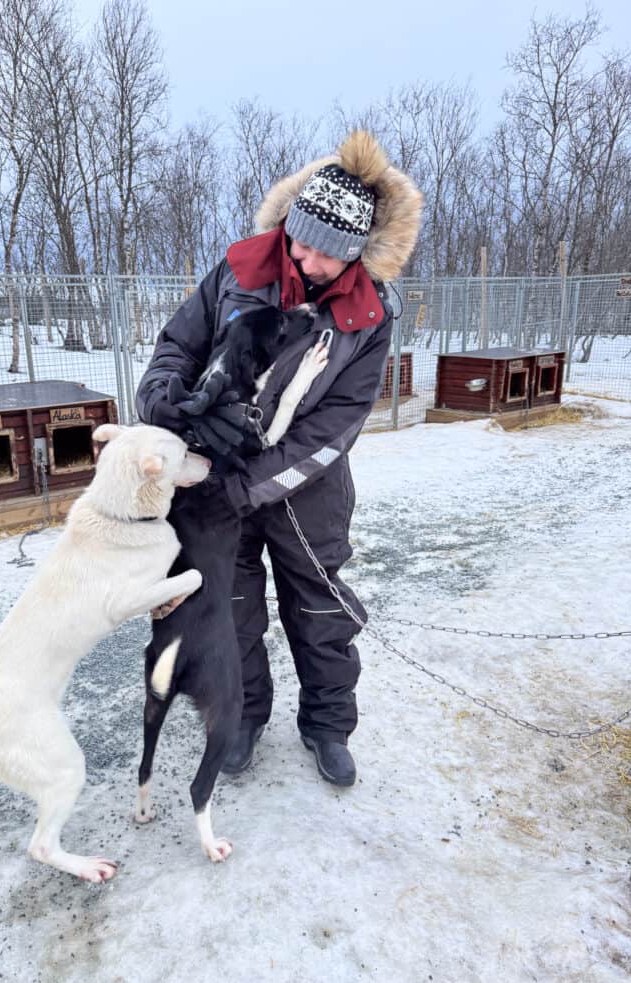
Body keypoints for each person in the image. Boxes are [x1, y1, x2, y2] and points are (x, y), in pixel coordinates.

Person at [136, 130, 422, 786]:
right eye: (304, 239)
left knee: (319, 608)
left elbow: (332, 429)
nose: (309, 258)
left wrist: (249, 486)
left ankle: (326, 724)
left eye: (329, 252)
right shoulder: (240, 268)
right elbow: (176, 345)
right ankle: (240, 719)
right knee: (227, 607)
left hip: (304, 489)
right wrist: (166, 402)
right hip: (211, 474)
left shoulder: (366, 316)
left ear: (354, 256)